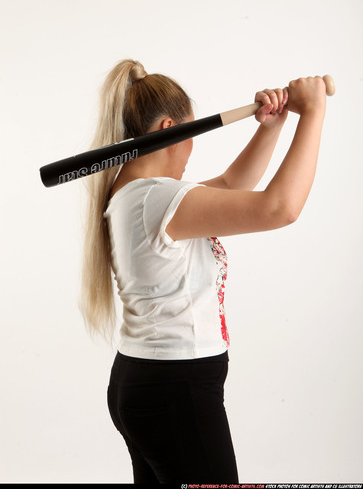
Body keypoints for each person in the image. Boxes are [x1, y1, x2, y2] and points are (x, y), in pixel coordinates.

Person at [79, 59, 327, 484]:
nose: (191, 149)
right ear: (168, 130)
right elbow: (280, 208)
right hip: (177, 391)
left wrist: (271, 127)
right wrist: (315, 113)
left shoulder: (135, 194)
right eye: (190, 135)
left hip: (150, 383)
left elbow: (232, 185)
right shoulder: (155, 200)